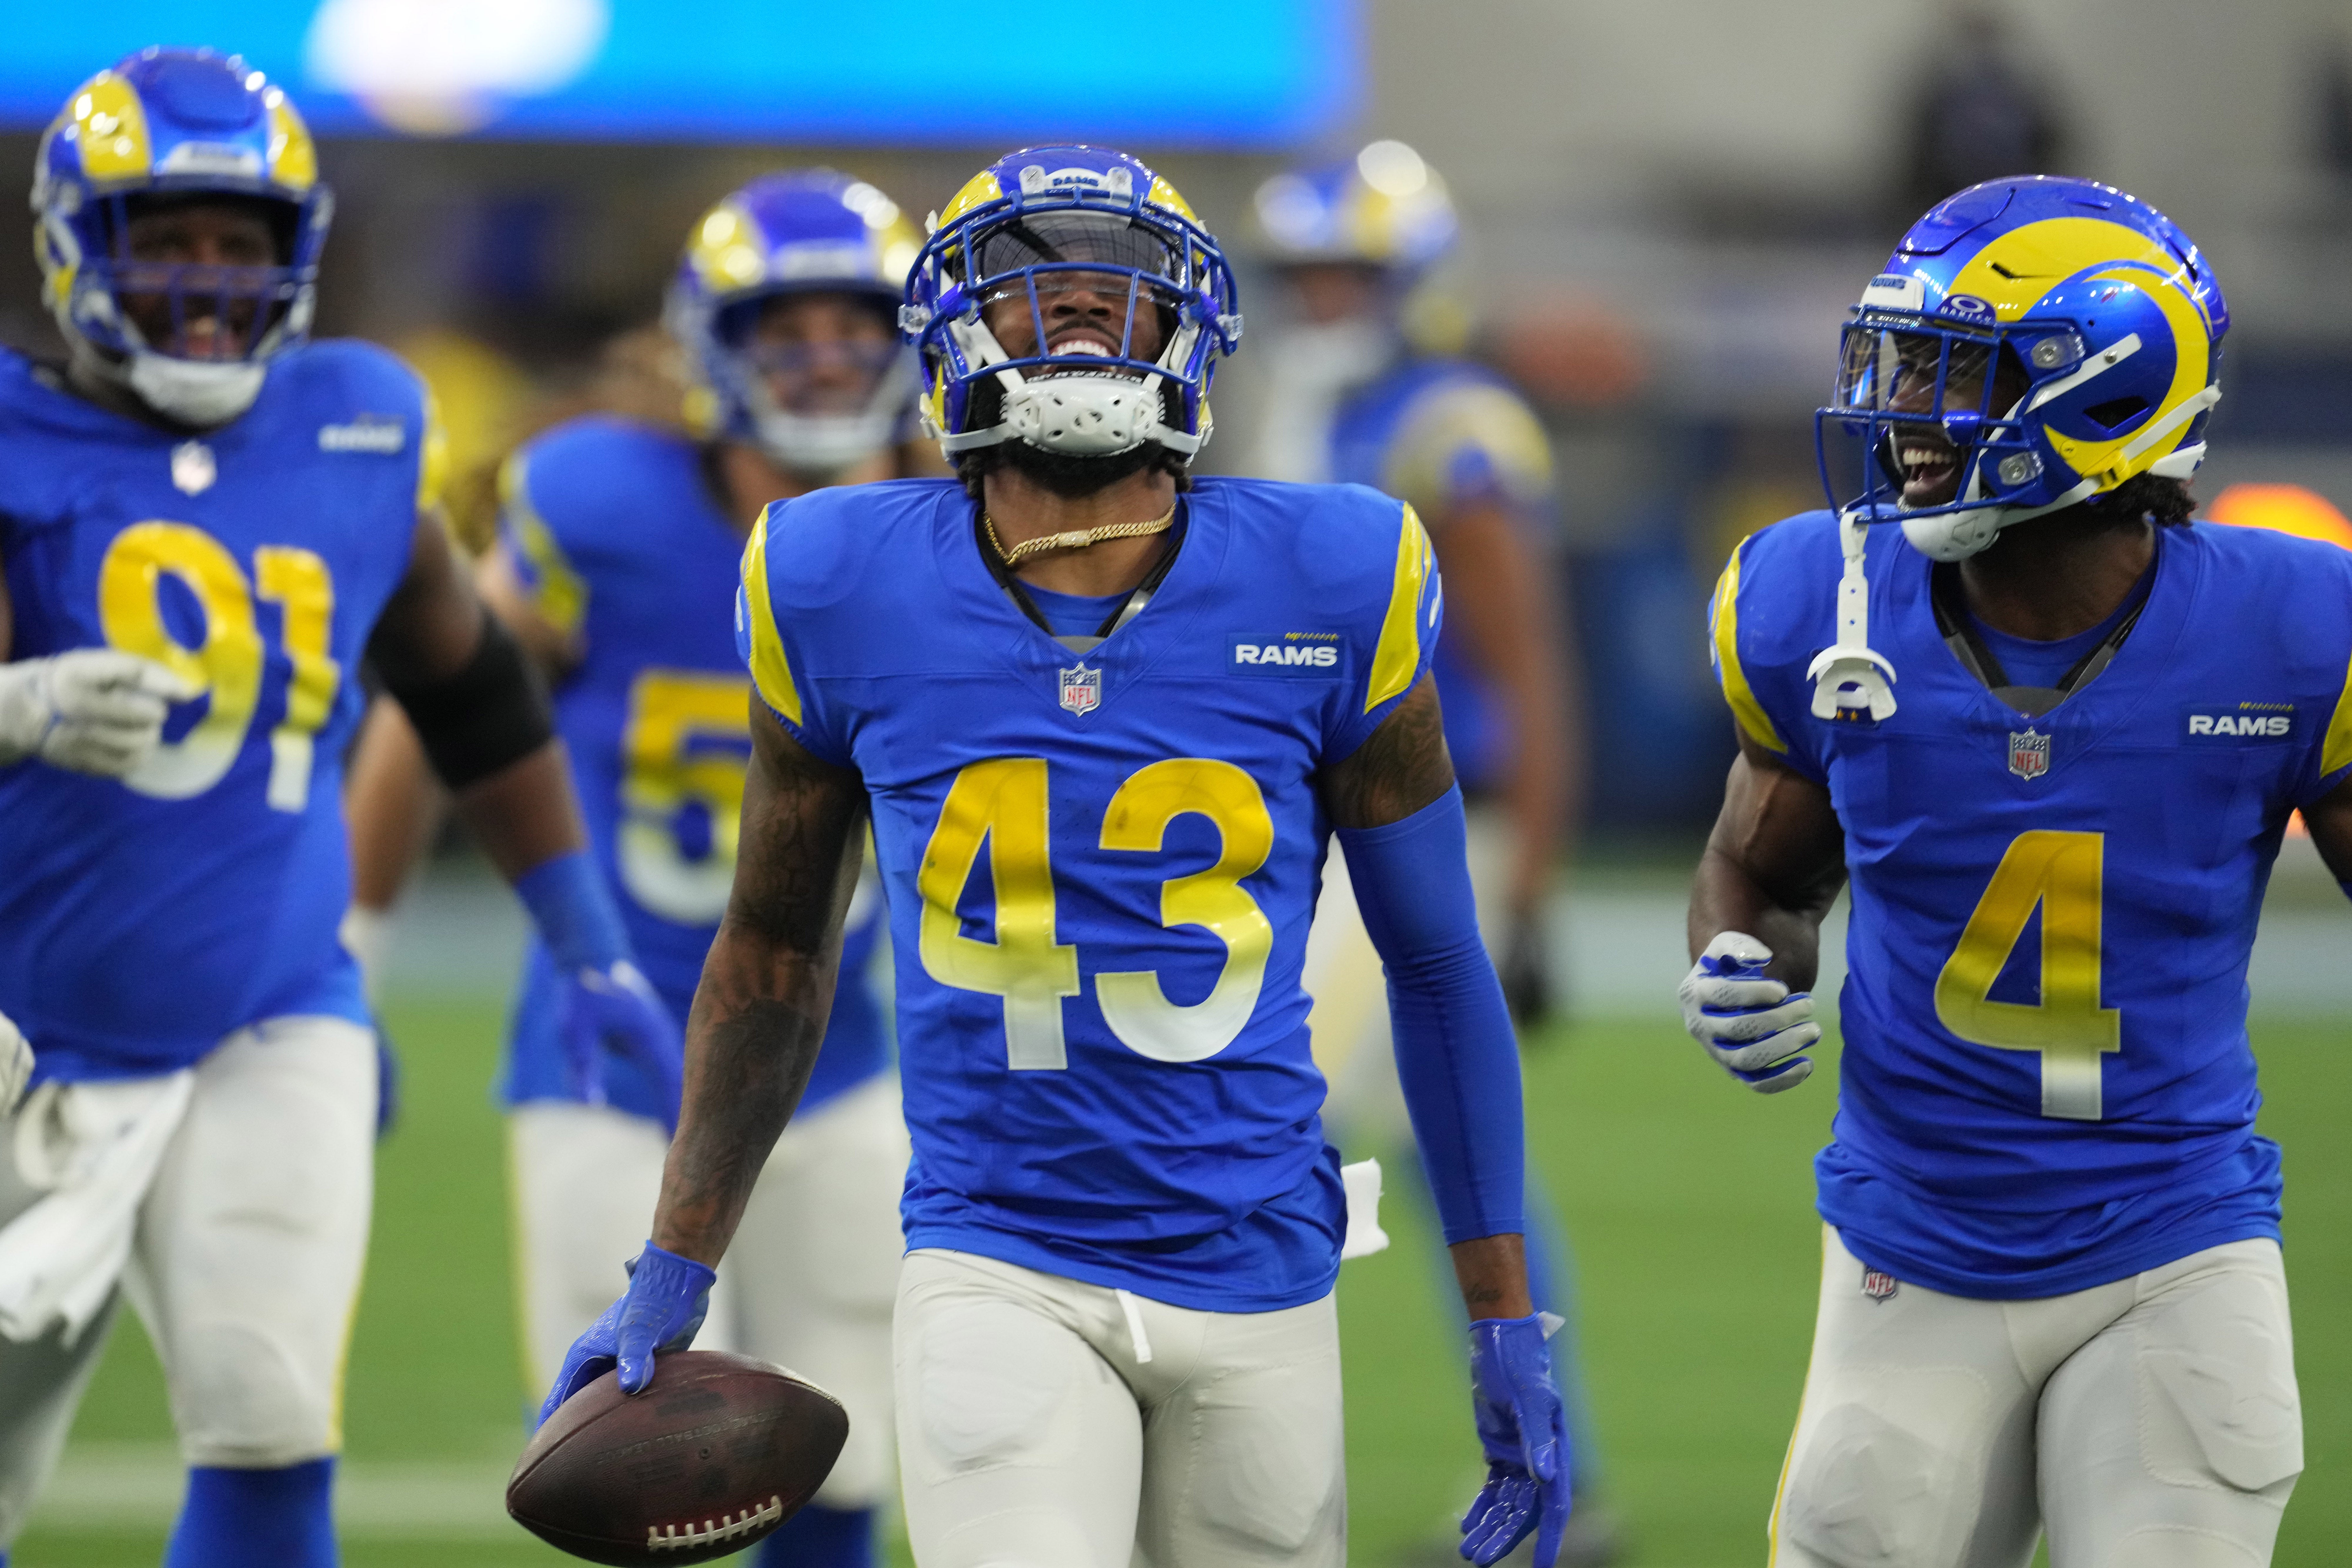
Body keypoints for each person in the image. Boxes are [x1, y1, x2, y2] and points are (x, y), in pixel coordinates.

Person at [539, 144, 1575, 1568]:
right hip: (996, 1257)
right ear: (952, 334)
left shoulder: (1338, 572)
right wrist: (677, 1261)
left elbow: (1439, 964)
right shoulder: (834, 576)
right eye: (1039, 292)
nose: (1084, 313)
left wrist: (1506, 1315)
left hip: (1264, 1267)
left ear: (1190, 330)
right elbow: (776, 950)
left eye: (1119, 292)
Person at [0, 49, 676, 1567]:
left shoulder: (355, 421)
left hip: (271, 1012)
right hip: (23, 1034)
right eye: (167, 236)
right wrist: (20, 706)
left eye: (237, 239)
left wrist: (584, 943)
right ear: (75, 245)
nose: (204, 277)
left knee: (270, 1419)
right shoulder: (16, 436)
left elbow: (472, 689)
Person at [1684, 174, 2343, 1564]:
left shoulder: (2287, 630)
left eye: (1953, 370)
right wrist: (1735, 959)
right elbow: (1759, 873)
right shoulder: (1820, 599)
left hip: (2175, 1245)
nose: (1905, 411)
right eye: (1901, 362)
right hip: (1908, 1246)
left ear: (2109, 395)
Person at [343, 169, 933, 1568]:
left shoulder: (946, 525)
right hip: (615, 1053)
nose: (827, 358)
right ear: (711, 346)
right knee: (626, 1465)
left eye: (856, 324)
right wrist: (349, 958)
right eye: (787, 326)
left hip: (835, 1059)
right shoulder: (602, 499)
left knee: (847, 1455)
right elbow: (447, 710)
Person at [1252, 143, 1611, 1565]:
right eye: (1308, 275)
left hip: (1434, 819)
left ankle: (1248, 1442)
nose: (1326, 299)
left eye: (1353, 273)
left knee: (1276, 1109)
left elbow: (1531, 666)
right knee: (1446, 1147)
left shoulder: (1453, 422)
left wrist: (1532, 889)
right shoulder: (1324, 406)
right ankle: (1555, 1473)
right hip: (1343, 820)